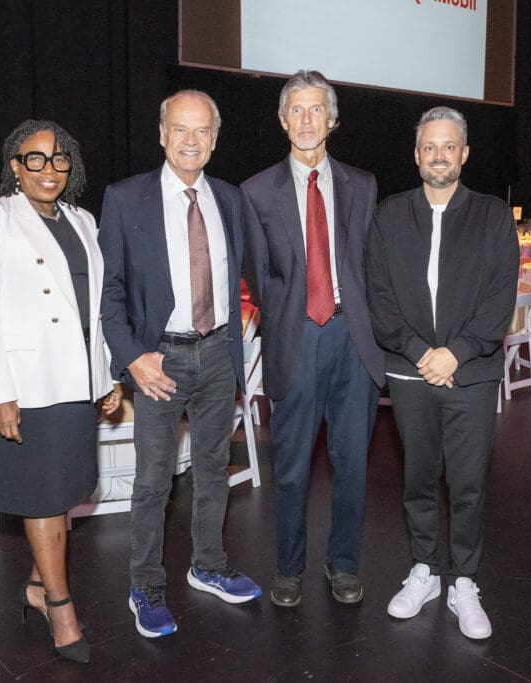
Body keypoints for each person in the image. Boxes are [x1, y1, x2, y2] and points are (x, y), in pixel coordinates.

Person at [0, 120, 122, 664]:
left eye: (59, 161)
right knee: (44, 498)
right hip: (27, 387)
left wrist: (109, 375)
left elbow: (95, 310)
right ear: (14, 165)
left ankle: (33, 585)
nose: (48, 171)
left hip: (76, 380)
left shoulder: (83, 219)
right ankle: (60, 607)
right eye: (35, 159)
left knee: (67, 490)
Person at [99, 89, 261, 639]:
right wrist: (132, 359)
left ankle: (208, 565)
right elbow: (110, 295)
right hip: (157, 359)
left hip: (218, 351)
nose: (191, 141)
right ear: (162, 133)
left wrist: (244, 315)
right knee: (152, 481)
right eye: (180, 129)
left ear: (214, 141)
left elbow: (246, 271)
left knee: (215, 468)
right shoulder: (125, 199)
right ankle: (144, 584)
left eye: (202, 132)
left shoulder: (230, 199)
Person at [366, 106, 518, 640]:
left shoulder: (495, 216)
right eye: (429, 146)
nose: (438, 155)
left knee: (470, 483)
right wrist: (419, 352)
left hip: (471, 374)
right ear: (416, 155)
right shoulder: (388, 216)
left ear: (465, 154)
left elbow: (501, 298)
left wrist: (455, 353)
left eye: (449, 146)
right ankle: (426, 571)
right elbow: (379, 299)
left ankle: (465, 582)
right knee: (418, 479)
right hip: (410, 376)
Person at [241, 70, 384, 608]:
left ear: (332, 119)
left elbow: (370, 264)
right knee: (293, 467)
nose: (306, 119)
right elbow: (258, 275)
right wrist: (293, 317)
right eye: (296, 110)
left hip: (354, 341)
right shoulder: (255, 192)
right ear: (283, 121)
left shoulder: (363, 185)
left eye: (315, 109)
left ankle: (343, 564)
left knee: (353, 465)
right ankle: (289, 567)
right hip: (295, 341)